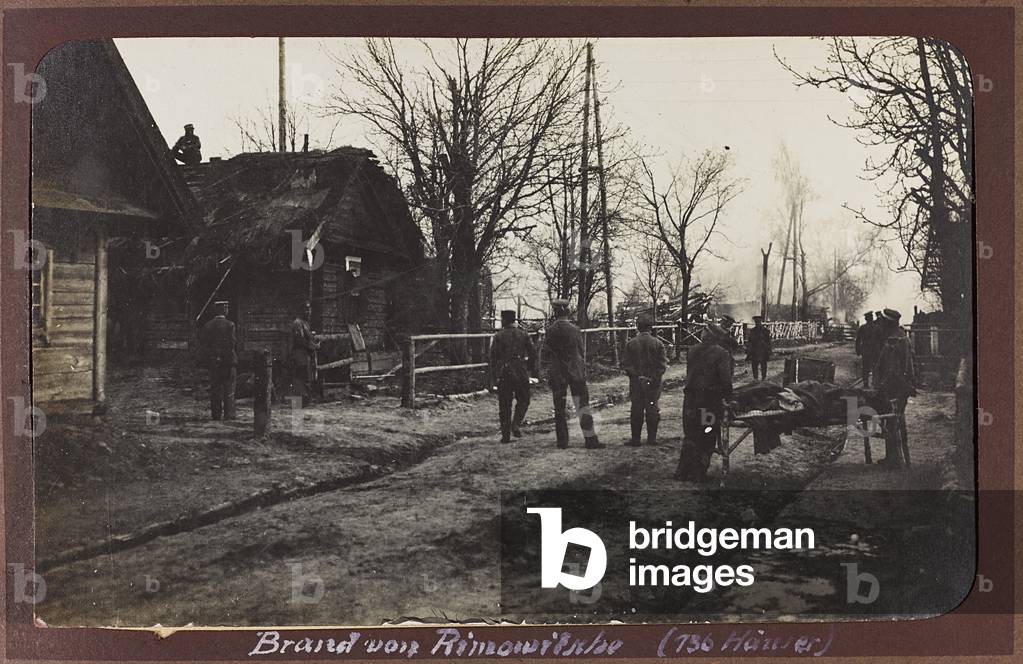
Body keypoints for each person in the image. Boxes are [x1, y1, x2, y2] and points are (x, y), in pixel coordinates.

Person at [675, 323, 733, 481]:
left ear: (706, 334)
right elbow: (726, 381)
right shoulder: (722, 353)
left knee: (690, 436)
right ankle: (698, 473)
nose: (701, 332)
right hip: (709, 403)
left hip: (690, 401)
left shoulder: (692, 350)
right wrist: (729, 398)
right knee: (707, 436)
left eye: (703, 331)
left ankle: (682, 472)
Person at [544, 299, 602, 449]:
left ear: (555, 313)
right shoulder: (575, 330)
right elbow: (580, 351)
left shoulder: (550, 331)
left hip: (558, 372)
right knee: (582, 405)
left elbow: (546, 353)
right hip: (575, 371)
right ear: (567, 312)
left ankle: (562, 441)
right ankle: (590, 440)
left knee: (559, 407)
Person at [872, 308, 916, 466]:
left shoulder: (895, 341)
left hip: (895, 388)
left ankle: (894, 459)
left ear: (889, 324)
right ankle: (892, 457)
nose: (881, 325)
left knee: (891, 421)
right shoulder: (899, 337)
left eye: (883, 322)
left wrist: (880, 386)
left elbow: (892, 370)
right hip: (899, 386)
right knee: (891, 422)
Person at [490, 309, 535, 444]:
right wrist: (529, 368)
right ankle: (515, 424)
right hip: (521, 372)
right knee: (524, 400)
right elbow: (533, 353)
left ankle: (505, 436)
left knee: (504, 404)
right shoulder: (524, 334)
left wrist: (494, 374)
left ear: (504, 320)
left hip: (505, 373)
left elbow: (493, 356)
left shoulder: (499, 335)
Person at [623, 313, 667, 446]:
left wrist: (637, 377)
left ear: (638, 327)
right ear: (651, 328)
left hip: (636, 384)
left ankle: (635, 440)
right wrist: (652, 378)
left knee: (636, 409)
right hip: (653, 384)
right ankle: (651, 439)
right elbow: (662, 366)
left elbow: (626, 364)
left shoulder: (630, 344)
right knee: (652, 409)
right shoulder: (658, 344)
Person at [198, 301, 236, 420]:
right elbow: (232, 343)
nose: (228, 310)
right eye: (226, 308)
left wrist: (213, 358)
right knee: (229, 388)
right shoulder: (230, 325)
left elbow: (205, 346)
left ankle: (216, 415)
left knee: (215, 388)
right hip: (228, 362)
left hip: (214, 362)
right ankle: (229, 415)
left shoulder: (208, 325)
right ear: (223, 310)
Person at [289, 300, 319, 407]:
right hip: (299, 354)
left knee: (306, 377)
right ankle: (298, 403)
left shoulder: (305, 323)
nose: (308, 312)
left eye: (309, 309)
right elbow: (300, 340)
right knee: (300, 377)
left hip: (306, 354)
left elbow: (308, 338)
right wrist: (312, 346)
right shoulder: (298, 323)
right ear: (301, 310)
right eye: (306, 309)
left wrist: (314, 342)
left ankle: (305, 401)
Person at [746, 315, 772, 381]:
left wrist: (769, 350)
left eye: (758, 321)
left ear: (761, 321)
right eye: (756, 321)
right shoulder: (752, 331)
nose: (757, 323)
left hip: (763, 350)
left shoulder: (765, 331)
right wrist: (748, 351)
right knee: (754, 364)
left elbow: (768, 341)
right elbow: (750, 341)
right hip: (755, 350)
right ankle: (755, 378)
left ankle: (764, 377)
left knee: (763, 364)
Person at [855, 311, 876, 386]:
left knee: (865, 367)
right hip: (874, 350)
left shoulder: (863, 328)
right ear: (872, 318)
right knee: (875, 366)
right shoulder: (876, 327)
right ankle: (874, 382)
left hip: (866, 350)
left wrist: (858, 350)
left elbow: (858, 340)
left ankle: (865, 383)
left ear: (866, 319)